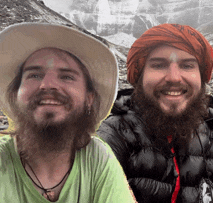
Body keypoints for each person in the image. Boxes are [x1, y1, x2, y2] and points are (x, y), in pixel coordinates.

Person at [0, 22, 136, 203]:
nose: (48, 84)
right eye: (34, 75)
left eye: (66, 76)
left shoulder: (97, 158)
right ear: (15, 93)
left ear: (89, 98)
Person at [98, 23, 213, 203]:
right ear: (140, 75)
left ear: (202, 77)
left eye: (187, 66)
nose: (173, 77)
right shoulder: (113, 135)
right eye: (159, 65)